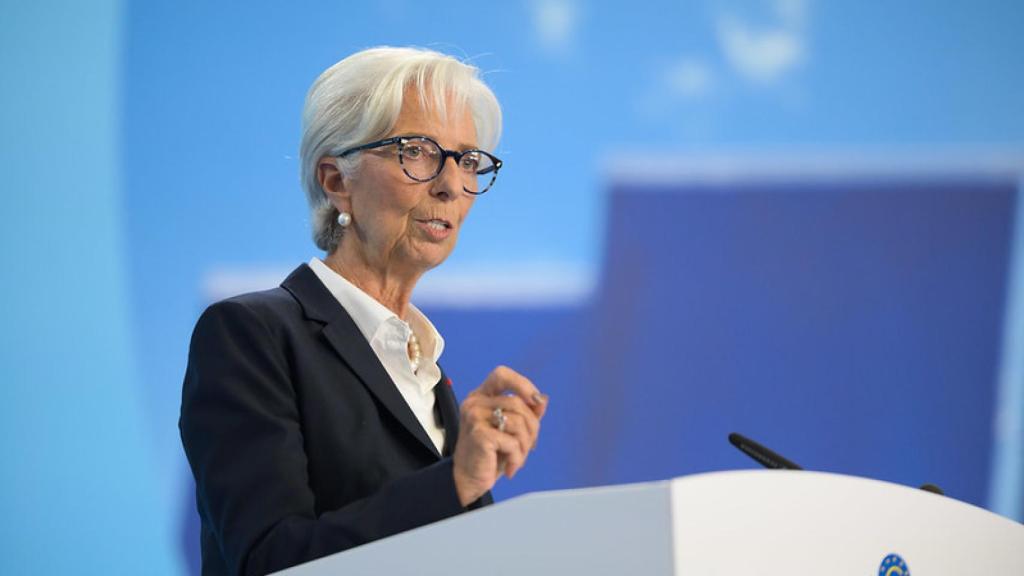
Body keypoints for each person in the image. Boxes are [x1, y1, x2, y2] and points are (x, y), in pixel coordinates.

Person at [179, 46, 548, 576]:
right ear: (336, 181)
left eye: (467, 160)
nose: (450, 185)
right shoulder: (250, 336)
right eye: (418, 151)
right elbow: (268, 559)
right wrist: (454, 483)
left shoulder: (425, 369)